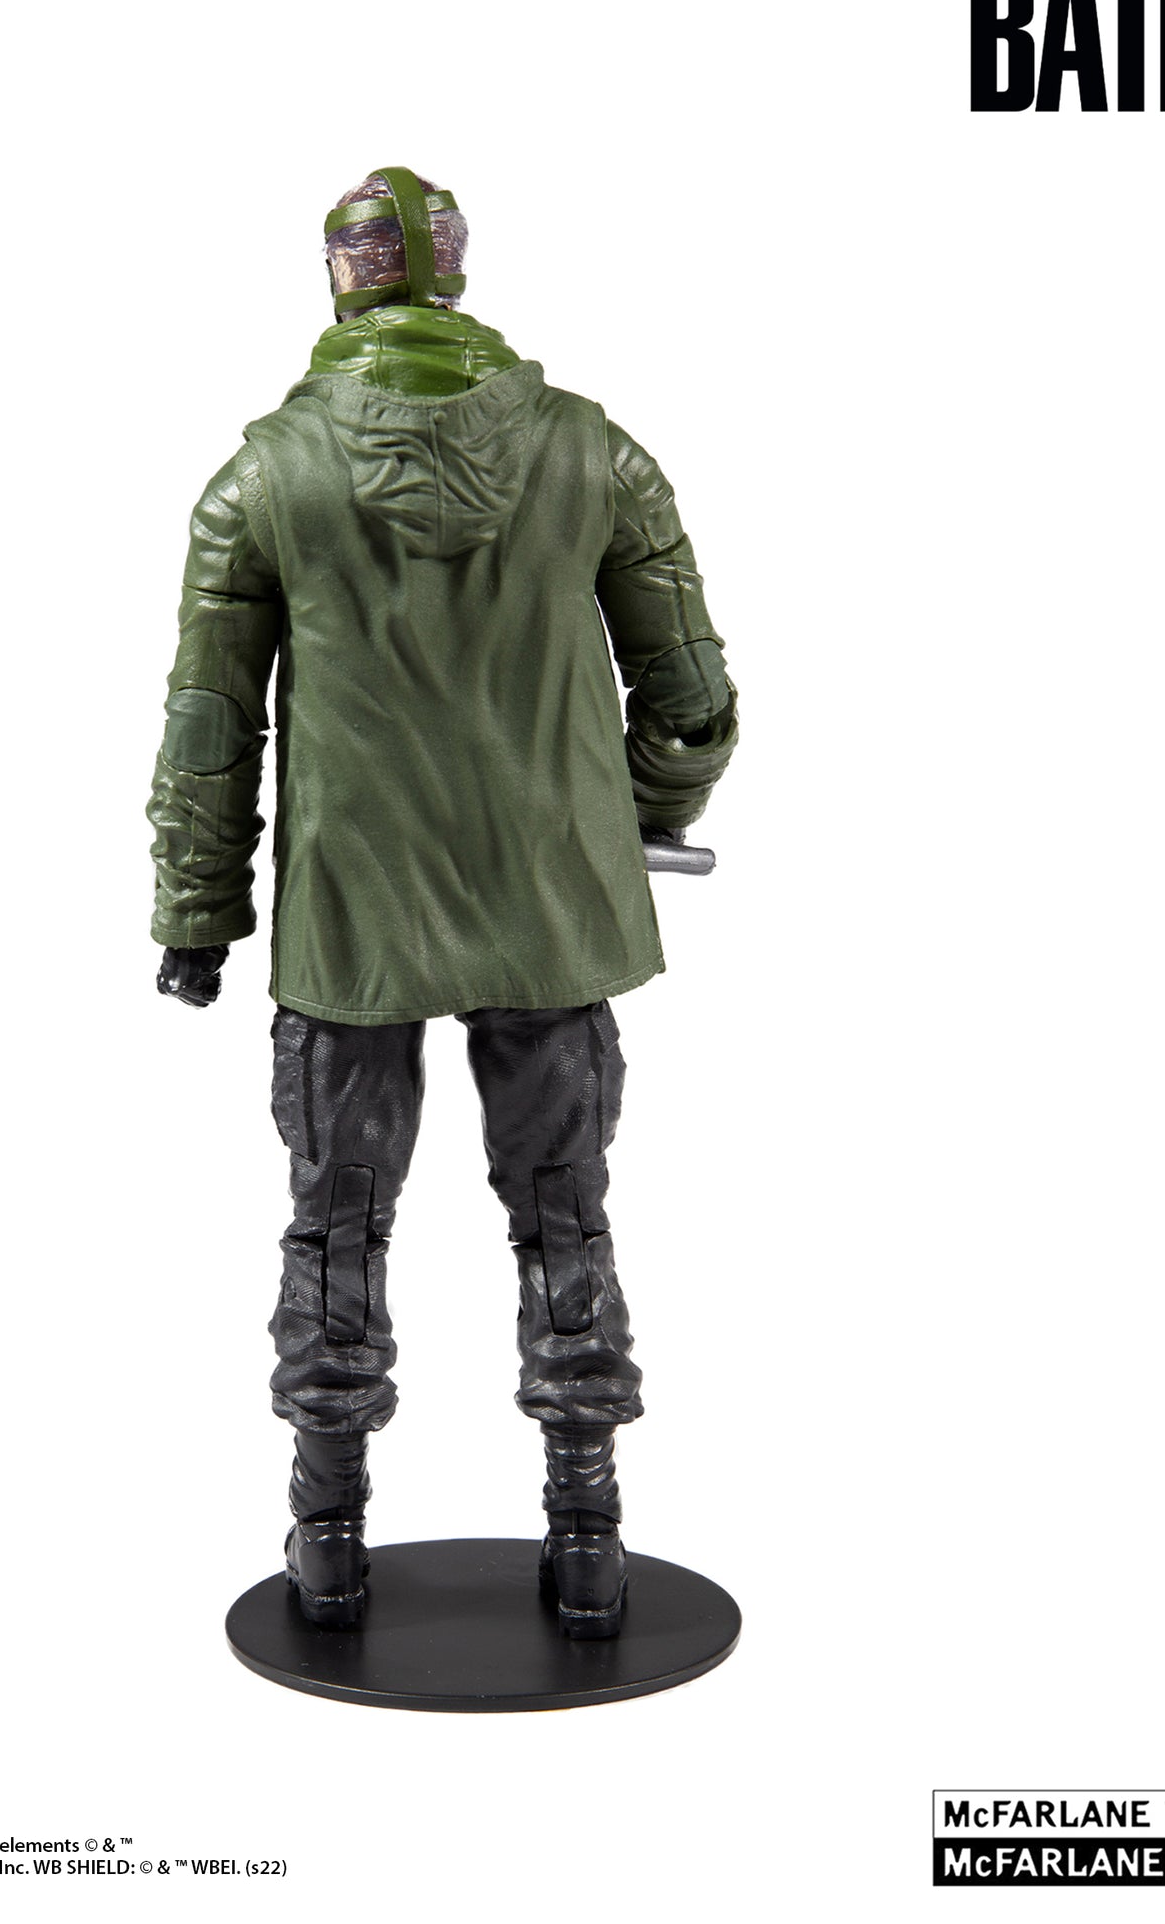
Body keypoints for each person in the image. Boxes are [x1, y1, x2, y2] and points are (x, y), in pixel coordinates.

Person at [146, 168, 737, 1638]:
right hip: (555, 914)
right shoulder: (594, 457)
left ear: (338, 278)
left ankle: (326, 1540)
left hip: (348, 928)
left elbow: (208, 730)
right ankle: (589, 1540)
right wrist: (629, 826)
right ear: (455, 273)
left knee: (336, 1227)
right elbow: (694, 702)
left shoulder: (264, 481)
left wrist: (196, 918)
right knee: (565, 1217)